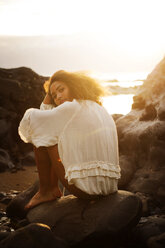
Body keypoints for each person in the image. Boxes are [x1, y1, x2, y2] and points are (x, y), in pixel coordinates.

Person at [18, 70, 121, 209]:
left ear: (74, 86)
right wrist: (53, 90)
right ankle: (50, 190)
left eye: (62, 90)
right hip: (110, 187)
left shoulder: (72, 107)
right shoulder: (99, 109)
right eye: (54, 96)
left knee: (43, 133)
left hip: (85, 190)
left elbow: (34, 119)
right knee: (50, 130)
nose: (58, 97)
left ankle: (46, 190)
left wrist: (48, 94)